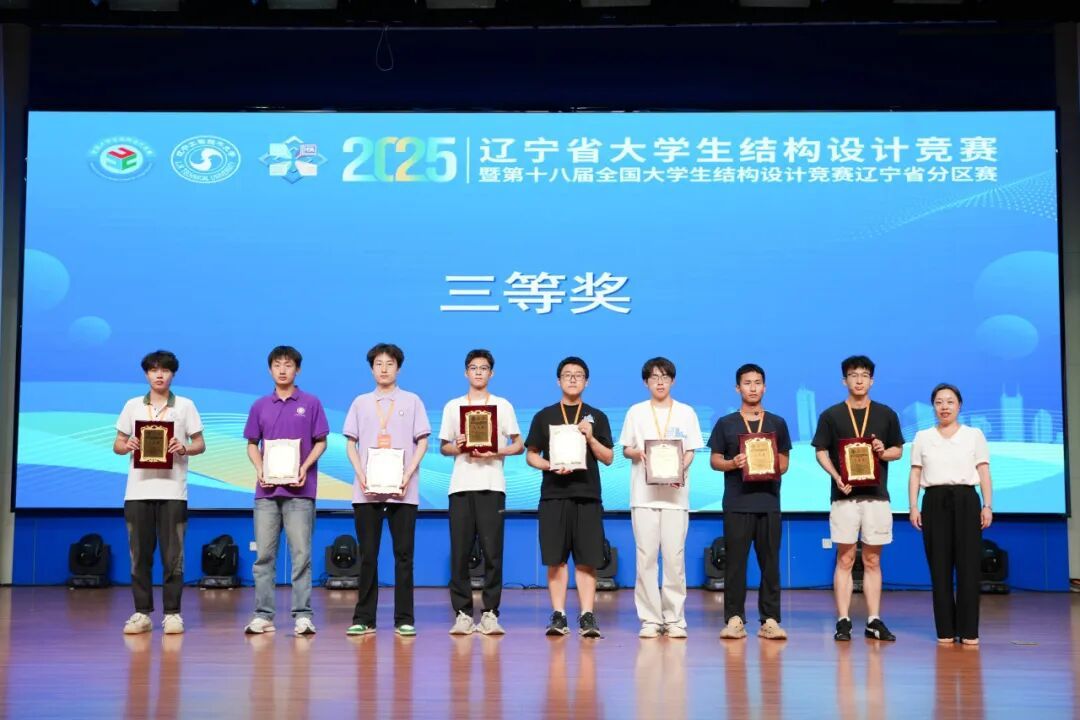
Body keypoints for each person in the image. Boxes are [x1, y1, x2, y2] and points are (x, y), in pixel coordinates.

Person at [812, 355, 904, 642]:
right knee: (846, 557)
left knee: (873, 560)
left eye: (864, 375)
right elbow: (821, 451)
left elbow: (898, 451)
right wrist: (836, 477)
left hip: (877, 497)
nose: (859, 380)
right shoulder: (831, 415)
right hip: (844, 496)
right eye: (853, 375)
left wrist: (882, 451)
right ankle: (843, 620)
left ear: (872, 380)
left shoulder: (886, 414)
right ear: (845, 381)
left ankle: (874, 620)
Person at [113, 350, 205, 635]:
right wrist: (127, 445)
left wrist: (184, 447)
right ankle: (141, 613)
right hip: (137, 492)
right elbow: (117, 444)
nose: (159, 375)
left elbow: (200, 444)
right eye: (153, 370)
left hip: (173, 491)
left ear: (172, 374)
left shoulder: (186, 406)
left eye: (164, 370)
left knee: (172, 556)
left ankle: (173, 614)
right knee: (139, 556)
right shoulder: (132, 406)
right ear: (146, 374)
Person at [343, 343, 430, 637]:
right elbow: (350, 444)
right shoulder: (360, 403)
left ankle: (404, 618)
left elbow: (423, 442)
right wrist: (361, 475)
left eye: (389, 364)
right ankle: (364, 618)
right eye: (378, 364)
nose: (384, 369)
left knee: (404, 556)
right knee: (368, 555)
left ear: (398, 368)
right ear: (371, 369)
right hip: (366, 491)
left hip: (403, 492)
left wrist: (407, 474)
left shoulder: (412, 401)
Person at [242, 346, 329, 636]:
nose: (282, 369)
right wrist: (260, 469)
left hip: (301, 492)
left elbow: (321, 441)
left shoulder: (311, 403)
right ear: (270, 370)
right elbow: (252, 444)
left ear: (297, 369)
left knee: (301, 556)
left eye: (288, 365)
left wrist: (304, 467)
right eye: (277, 365)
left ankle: (302, 615)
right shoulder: (260, 405)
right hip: (266, 493)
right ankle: (263, 615)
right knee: (264, 557)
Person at [525, 356, 614, 638]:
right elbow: (530, 455)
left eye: (578, 375)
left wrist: (591, 438)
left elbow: (608, 457)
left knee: (587, 559)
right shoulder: (544, 416)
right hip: (554, 495)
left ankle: (587, 615)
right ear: (558, 381)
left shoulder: (597, 416)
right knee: (556, 559)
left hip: (587, 495)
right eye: (567, 374)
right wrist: (549, 465)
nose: (573, 378)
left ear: (586, 381)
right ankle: (559, 614)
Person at [439, 349, 524, 635]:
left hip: (492, 485)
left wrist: (497, 451)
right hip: (461, 486)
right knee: (460, 553)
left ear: (491, 373)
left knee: (493, 552)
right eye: (473, 368)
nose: (478, 372)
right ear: (466, 372)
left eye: (484, 368)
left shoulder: (502, 405)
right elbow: (444, 447)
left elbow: (519, 444)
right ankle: (463, 613)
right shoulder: (453, 406)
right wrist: (459, 446)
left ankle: (490, 613)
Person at [707, 363, 793, 640]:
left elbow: (785, 463)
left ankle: (770, 620)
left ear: (764, 387)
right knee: (735, 564)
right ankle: (734, 619)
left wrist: (768, 464)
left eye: (757, 383)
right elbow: (715, 460)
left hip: (768, 502)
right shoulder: (726, 423)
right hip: (737, 503)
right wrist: (733, 463)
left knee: (770, 564)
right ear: (738, 388)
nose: (752, 388)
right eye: (747, 383)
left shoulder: (777, 423)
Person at [618, 357, 702, 638]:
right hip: (643, 496)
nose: (660, 382)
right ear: (646, 382)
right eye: (654, 377)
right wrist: (639, 453)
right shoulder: (636, 412)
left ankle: (675, 618)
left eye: (665, 377)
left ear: (673, 380)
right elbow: (626, 449)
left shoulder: (686, 412)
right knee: (646, 558)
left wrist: (679, 469)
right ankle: (650, 619)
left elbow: (690, 450)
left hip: (676, 496)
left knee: (674, 558)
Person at [908, 383, 993, 645]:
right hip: (934, 502)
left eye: (950, 401)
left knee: (968, 567)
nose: (944, 407)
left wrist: (987, 505)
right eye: (939, 402)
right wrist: (913, 506)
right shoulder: (922, 436)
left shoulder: (974, 434)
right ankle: (945, 629)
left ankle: (968, 631)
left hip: (967, 500)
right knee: (940, 567)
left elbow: (983, 471)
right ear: (933, 406)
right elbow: (915, 473)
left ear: (959, 405)